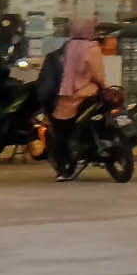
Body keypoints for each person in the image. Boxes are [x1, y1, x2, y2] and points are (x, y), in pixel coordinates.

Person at [42, 16, 106, 178]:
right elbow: (98, 74)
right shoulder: (92, 48)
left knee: (62, 133)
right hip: (88, 92)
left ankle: (62, 170)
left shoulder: (69, 46)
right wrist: (104, 86)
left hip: (67, 96)